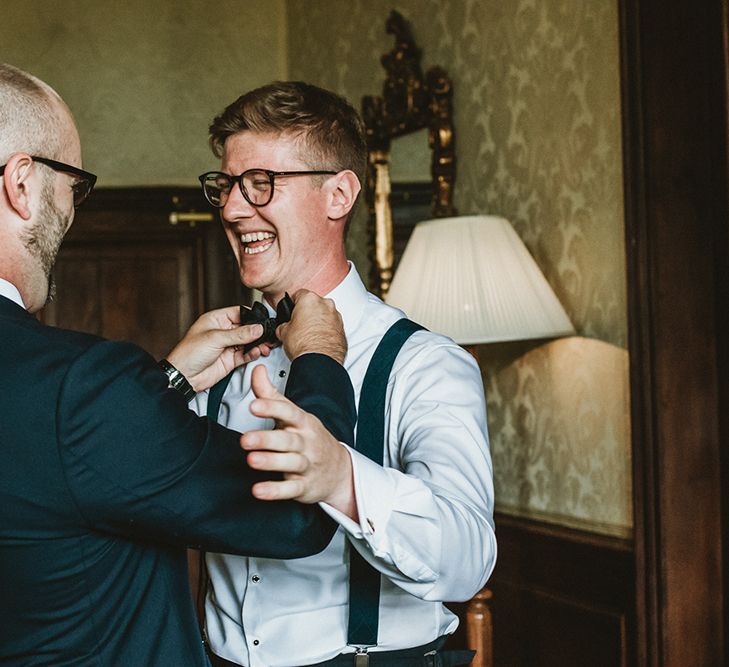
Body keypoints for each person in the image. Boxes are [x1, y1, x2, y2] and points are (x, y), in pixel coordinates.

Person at [0, 63, 359, 666]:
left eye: (263, 183)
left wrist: (165, 384)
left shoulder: (424, 360)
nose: (71, 212)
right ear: (22, 184)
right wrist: (321, 360)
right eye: (73, 186)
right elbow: (297, 514)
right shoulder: (81, 389)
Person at [195, 81, 497, 667]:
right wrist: (172, 381)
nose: (232, 208)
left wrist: (342, 479)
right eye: (227, 185)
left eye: (261, 183)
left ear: (339, 194)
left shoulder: (423, 363)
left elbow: (468, 556)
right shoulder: (219, 357)